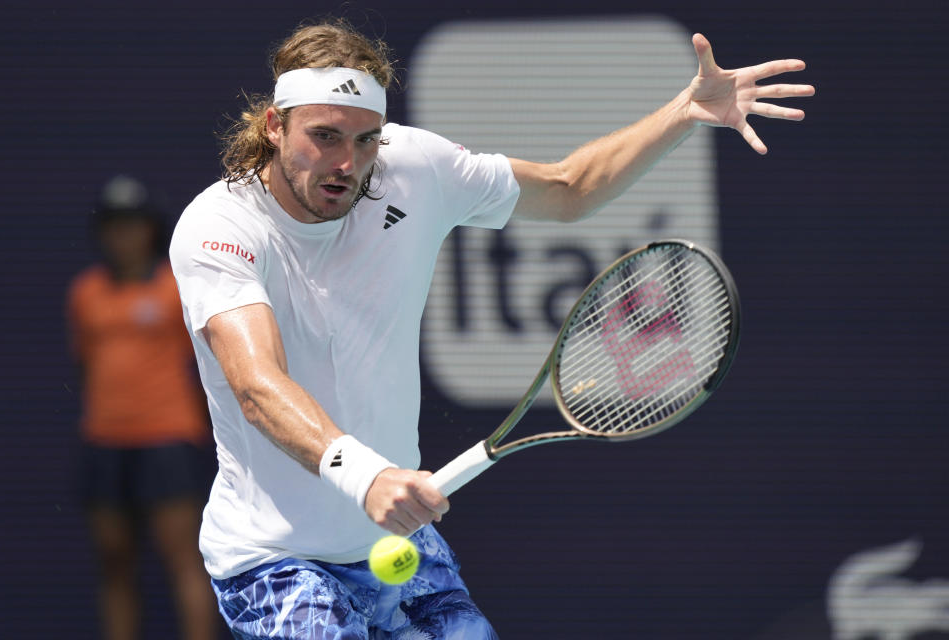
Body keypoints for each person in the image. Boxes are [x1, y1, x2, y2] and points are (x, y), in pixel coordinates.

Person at [168, 19, 813, 639]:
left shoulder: (413, 169)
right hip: (277, 560)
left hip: (395, 540)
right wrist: (365, 475)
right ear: (275, 127)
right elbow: (257, 386)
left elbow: (569, 187)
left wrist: (683, 112)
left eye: (367, 139)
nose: (347, 162)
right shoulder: (219, 229)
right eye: (325, 136)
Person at [67, 175, 219, 640]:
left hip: (167, 438)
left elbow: (206, 369)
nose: (124, 235)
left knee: (182, 558)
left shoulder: (177, 289)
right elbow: (85, 365)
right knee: (113, 561)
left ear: (150, 229)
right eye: (114, 225)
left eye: (132, 224)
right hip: (104, 440)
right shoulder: (86, 292)